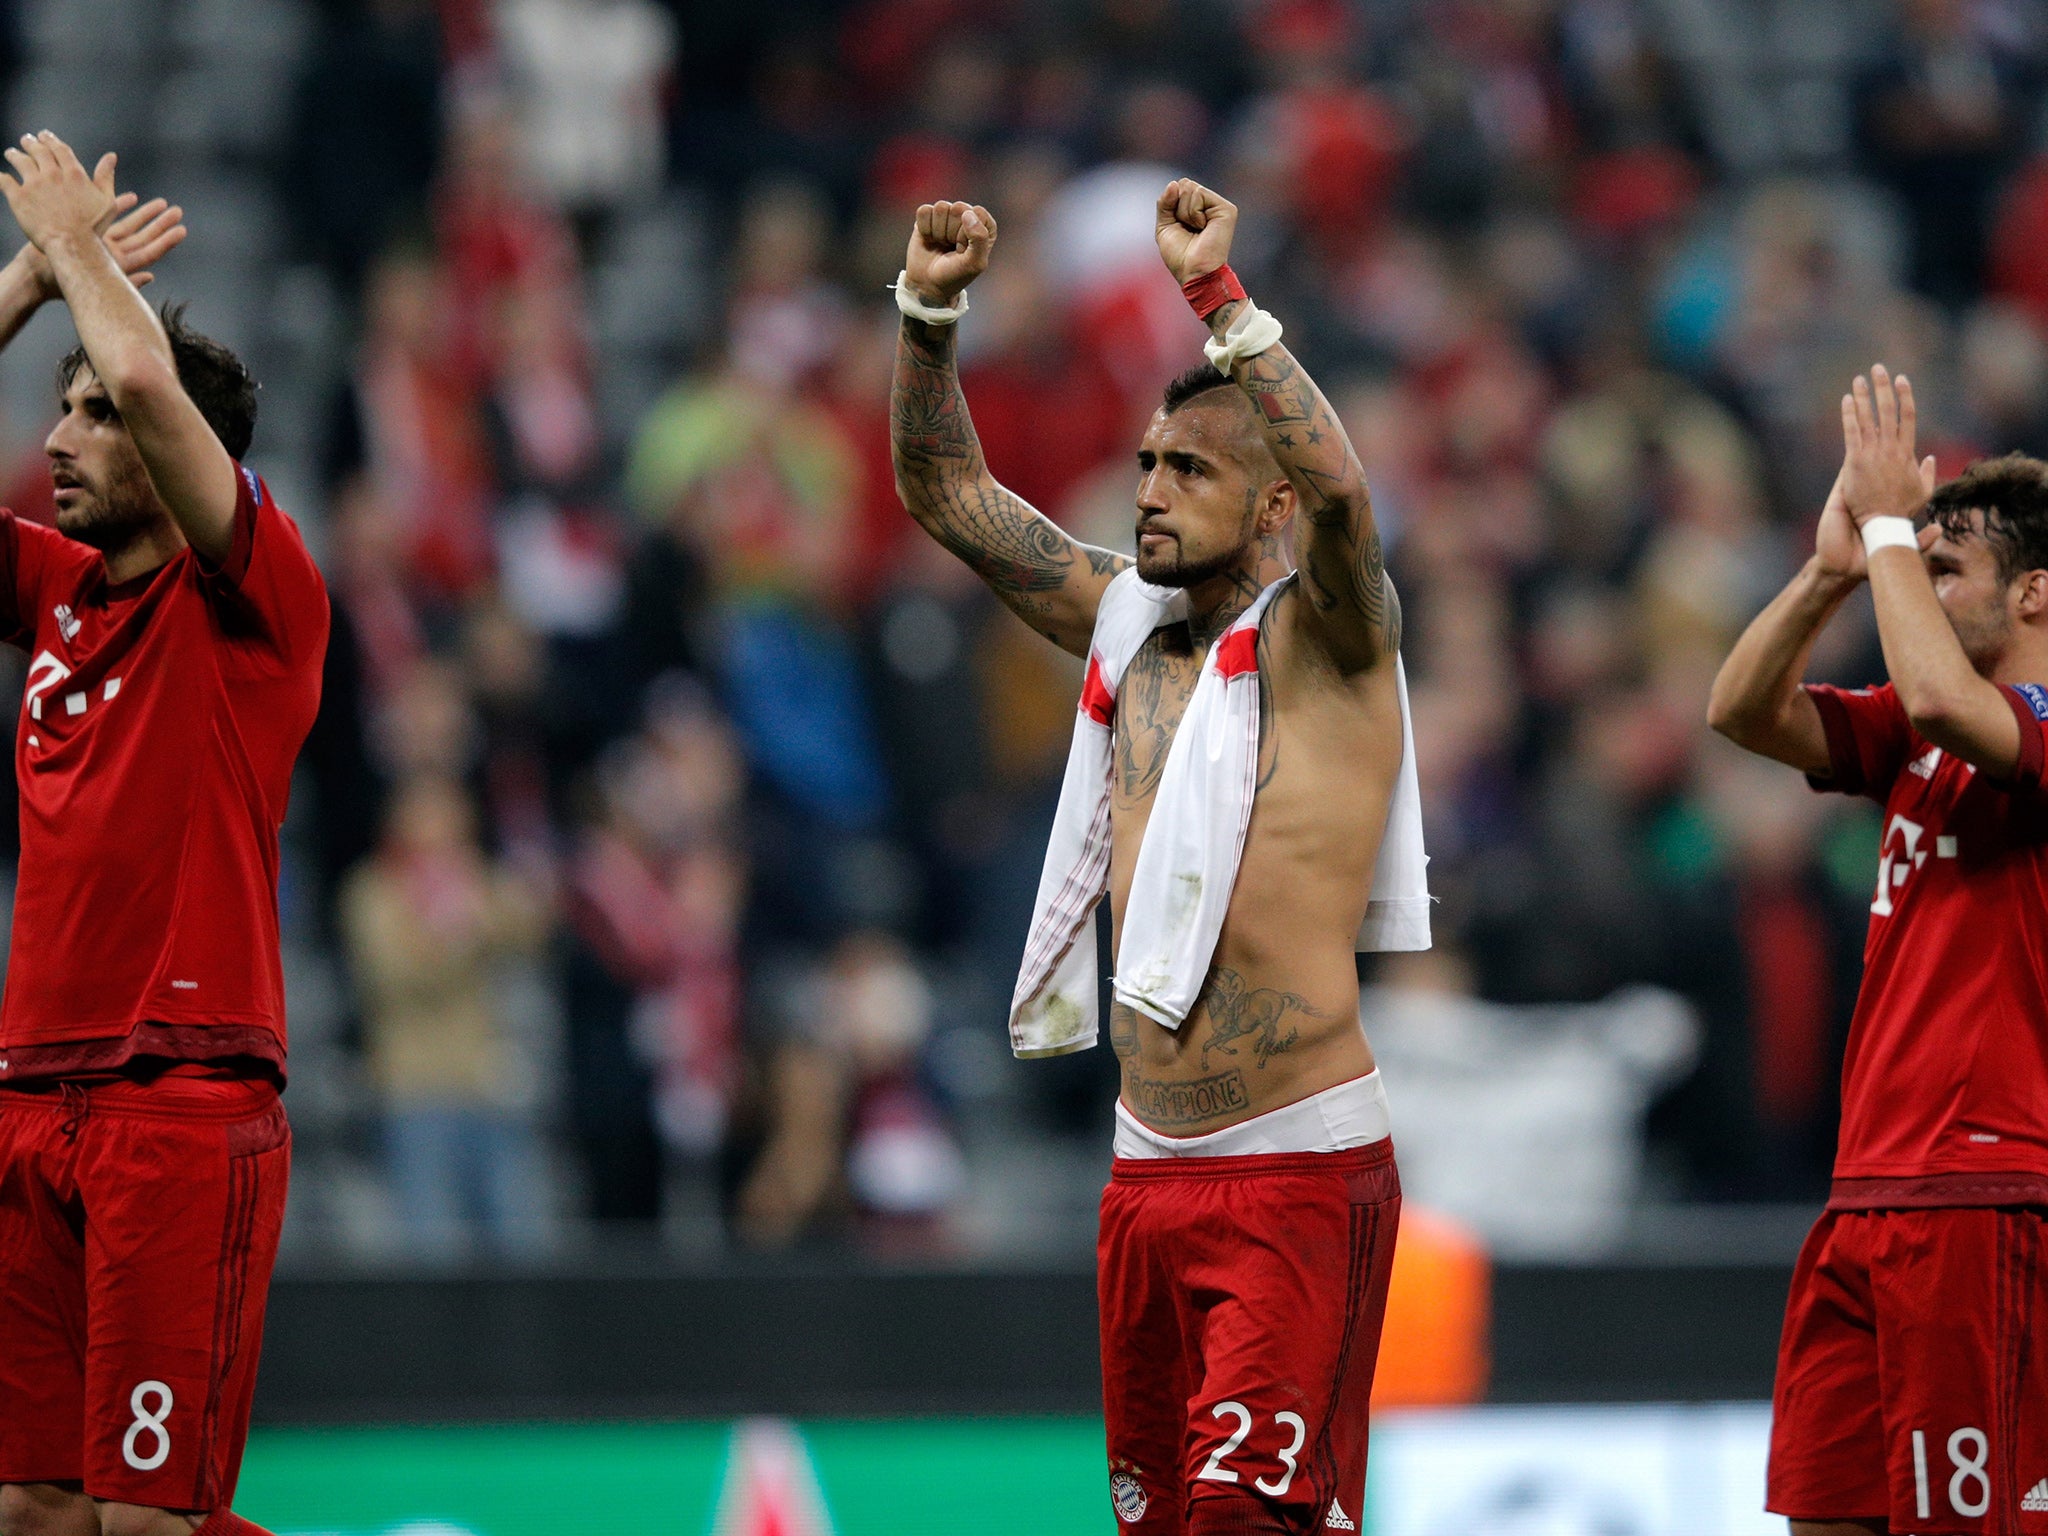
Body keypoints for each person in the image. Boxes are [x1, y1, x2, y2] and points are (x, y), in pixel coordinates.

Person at [890, 182, 1427, 1534]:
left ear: (1270, 507)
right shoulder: (1124, 630)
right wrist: (931, 313)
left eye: (1188, 469)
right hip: (1145, 1176)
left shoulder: (1334, 646)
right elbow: (947, 492)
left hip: (1296, 1174)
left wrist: (1220, 304)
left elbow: (1354, 498)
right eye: (1143, 465)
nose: (1148, 492)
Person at [0, 132, 329, 1536]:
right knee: (34, 1516)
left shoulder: (259, 601)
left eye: (92, 418)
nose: (62, 438)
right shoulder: (61, 597)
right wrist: (22, 280)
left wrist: (75, 246)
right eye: (57, 410)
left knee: (147, 1526)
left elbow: (144, 370)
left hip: (181, 1105)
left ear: (182, 456)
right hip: (29, 1100)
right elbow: (118, 372)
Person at [1709, 366, 2048, 1536]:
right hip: (1864, 1195)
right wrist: (1828, 570)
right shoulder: (1908, 730)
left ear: (2034, 596)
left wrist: (1897, 520)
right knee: (1824, 1519)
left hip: (1985, 1192)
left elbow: (1957, 705)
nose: (1915, 578)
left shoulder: (2020, 730)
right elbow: (1741, 711)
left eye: (1947, 569)